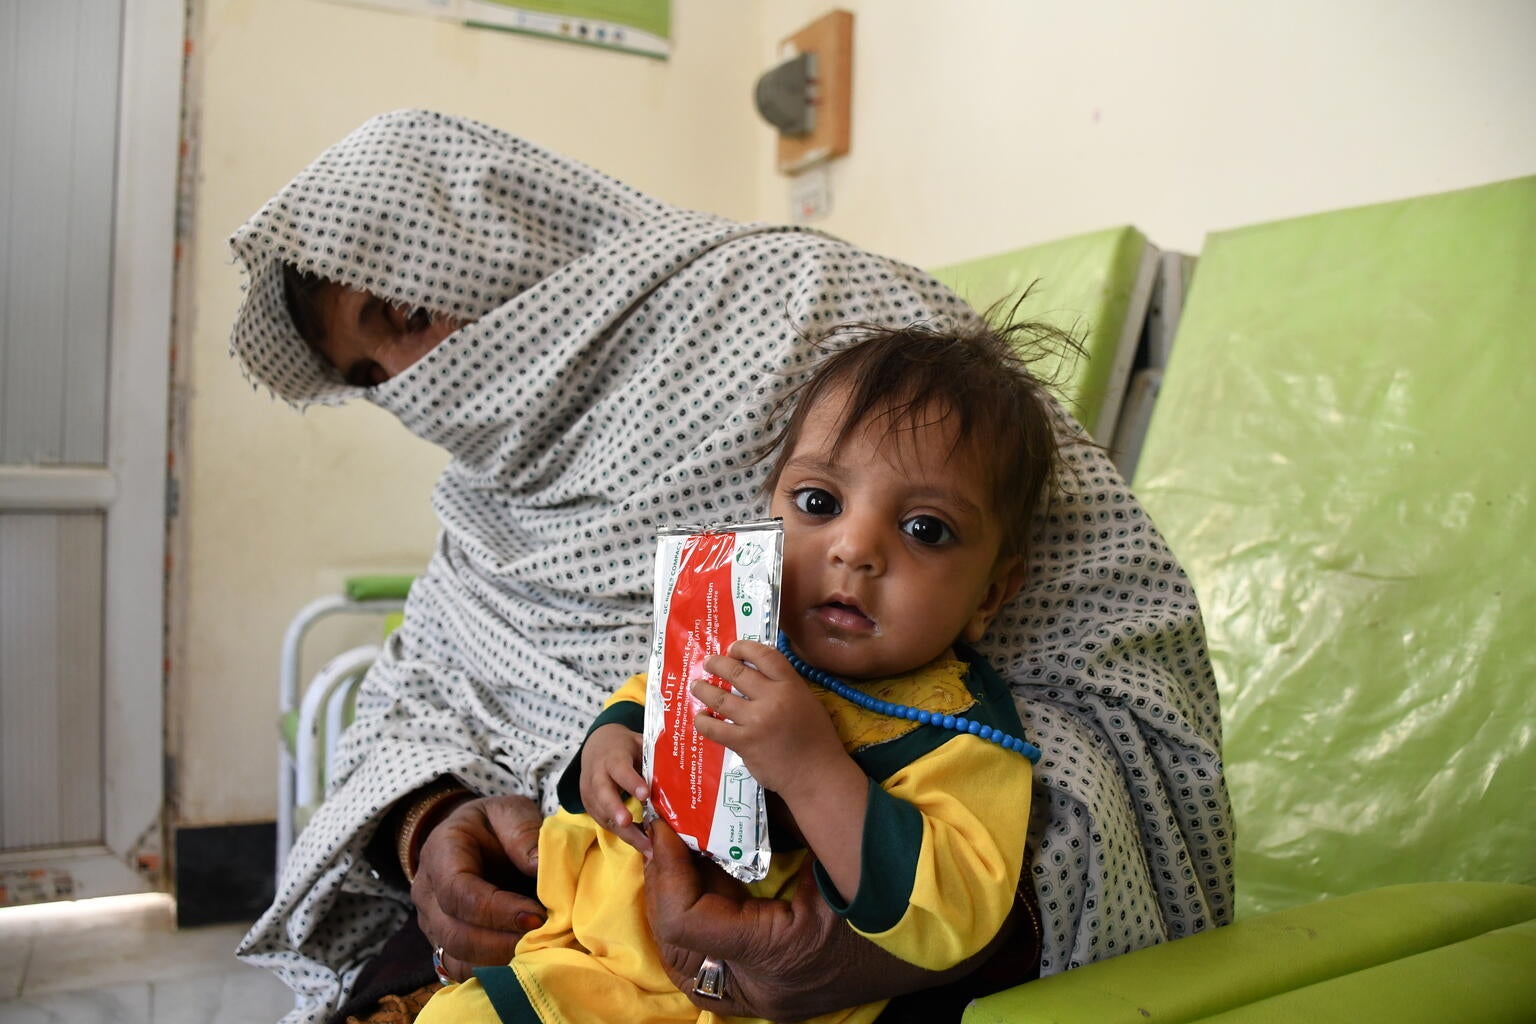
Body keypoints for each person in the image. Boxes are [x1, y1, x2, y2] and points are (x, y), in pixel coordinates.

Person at [229, 110, 1233, 1024]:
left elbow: (1120, 681)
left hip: (854, 918)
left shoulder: (810, 314)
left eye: (402, 320)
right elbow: (433, 701)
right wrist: (430, 829)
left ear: (489, 232)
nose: (411, 388)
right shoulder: (483, 505)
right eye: (368, 377)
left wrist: (863, 934)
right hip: (580, 906)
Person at [414, 319, 1060, 1023]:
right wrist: (612, 741)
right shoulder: (742, 629)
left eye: (925, 529)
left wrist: (812, 767)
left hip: (746, 1003)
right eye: (819, 504)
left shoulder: (962, 733)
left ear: (991, 595)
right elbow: (651, 693)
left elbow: (952, 910)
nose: (854, 548)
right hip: (586, 958)